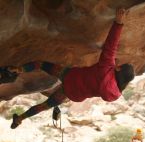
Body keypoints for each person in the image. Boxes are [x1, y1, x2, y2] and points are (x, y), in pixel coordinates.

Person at [0, 8, 135, 129]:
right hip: (73, 94)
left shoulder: (107, 67)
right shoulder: (114, 94)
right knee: (45, 106)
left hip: (69, 76)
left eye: (120, 65)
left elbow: (111, 46)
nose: (117, 64)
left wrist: (118, 23)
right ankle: (19, 119)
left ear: (118, 69)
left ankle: (18, 70)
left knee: (41, 64)